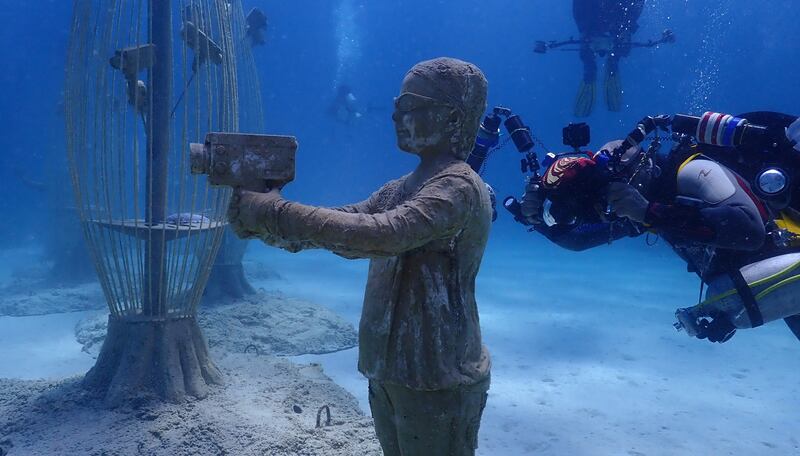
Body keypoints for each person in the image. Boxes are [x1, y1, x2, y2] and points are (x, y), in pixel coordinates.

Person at [228, 57, 492, 455]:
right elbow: (343, 226)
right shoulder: (402, 187)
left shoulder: (457, 186)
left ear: (452, 118)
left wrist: (271, 212)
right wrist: (267, 224)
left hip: (438, 373)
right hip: (394, 368)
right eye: (396, 105)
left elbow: (382, 235)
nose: (395, 116)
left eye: (408, 106)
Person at [517, 112, 800, 343]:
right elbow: (578, 241)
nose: (613, 211)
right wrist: (538, 220)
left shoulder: (691, 170)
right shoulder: (646, 210)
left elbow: (748, 231)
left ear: (640, 166)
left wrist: (647, 212)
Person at [572, 0, 645, 117]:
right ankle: (596, 67)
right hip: (600, 19)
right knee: (597, 48)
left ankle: (598, 66)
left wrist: (626, 30)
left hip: (606, 20)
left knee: (613, 45)